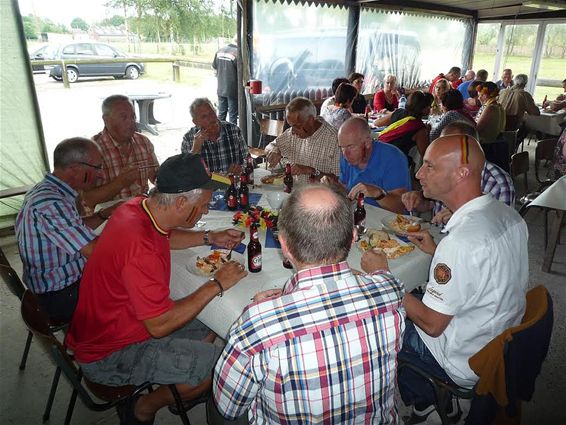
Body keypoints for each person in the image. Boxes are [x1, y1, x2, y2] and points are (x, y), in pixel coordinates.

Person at [66, 153, 247, 425]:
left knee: (215, 321)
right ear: (182, 202)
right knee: (225, 365)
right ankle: (143, 406)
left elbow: (164, 234)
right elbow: (160, 325)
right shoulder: (140, 251)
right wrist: (217, 283)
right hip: (110, 354)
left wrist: (210, 236)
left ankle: (185, 383)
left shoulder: (137, 207)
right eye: (205, 205)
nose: (207, 211)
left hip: (118, 325)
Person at [213, 184, 405, 423]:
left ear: (284, 246)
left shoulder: (258, 323)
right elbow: (383, 279)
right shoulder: (390, 290)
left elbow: (228, 407)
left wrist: (260, 311)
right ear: (354, 237)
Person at [397, 134, 528, 422]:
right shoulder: (508, 216)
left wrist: (386, 279)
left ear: (462, 173)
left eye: (429, 167)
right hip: (496, 341)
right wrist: (436, 252)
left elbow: (432, 325)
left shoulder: (460, 242)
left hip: (464, 360)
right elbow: (483, 275)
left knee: (383, 318)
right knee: (415, 298)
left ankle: (426, 405)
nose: (418, 174)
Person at [15, 137, 119, 323]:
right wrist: (132, 232)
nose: (101, 174)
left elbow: (73, 230)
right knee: (134, 288)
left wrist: (105, 213)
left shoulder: (49, 190)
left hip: (56, 286)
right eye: (97, 168)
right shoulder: (51, 203)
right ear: (75, 169)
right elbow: (96, 253)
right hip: (60, 296)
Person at [403, 121, 515, 225]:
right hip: (438, 238)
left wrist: (463, 217)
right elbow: (429, 204)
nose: (441, 150)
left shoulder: (497, 181)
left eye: (449, 147)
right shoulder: (441, 170)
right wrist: (418, 200)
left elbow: (500, 229)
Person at [83, 94, 160, 208]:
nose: (131, 122)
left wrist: (172, 175)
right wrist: (119, 183)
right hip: (107, 218)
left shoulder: (143, 142)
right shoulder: (92, 150)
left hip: (141, 210)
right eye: (123, 117)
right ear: (106, 120)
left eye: (133, 117)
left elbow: (156, 177)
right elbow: (87, 200)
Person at [337, 117, 411, 213]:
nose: (345, 154)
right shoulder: (346, 156)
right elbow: (346, 191)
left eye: (351, 146)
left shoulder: (393, 157)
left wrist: (377, 193)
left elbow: (401, 207)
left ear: (368, 142)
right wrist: (335, 187)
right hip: (360, 216)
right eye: (342, 147)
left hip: (391, 221)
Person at [265, 97, 340, 182]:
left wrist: (311, 170)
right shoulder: (292, 134)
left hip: (320, 193)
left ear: (310, 121)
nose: (292, 131)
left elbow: (339, 181)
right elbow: (270, 146)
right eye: (291, 126)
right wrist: (274, 150)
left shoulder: (334, 139)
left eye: (297, 126)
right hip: (295, 190)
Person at [181, 98, 248, 174]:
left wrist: (241, 169)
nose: (210, 118)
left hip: (232, 183)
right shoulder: (189, 139)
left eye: (211, 113)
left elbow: (248, 161)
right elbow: (185, 175)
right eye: (204, 116)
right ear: (195, 122)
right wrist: (195, 150)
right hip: (205, 185)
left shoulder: (234, 131)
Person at [378, 90, 433, 163]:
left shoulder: (399, 112)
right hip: (396, 161)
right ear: (424, 109)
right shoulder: (419, 128)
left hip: (380, 154)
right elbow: (425, 155)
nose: (430, 108)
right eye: (429, 106)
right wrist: (428, 133)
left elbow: (377, 123)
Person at [475, 82, 507, 170]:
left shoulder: (490, 108)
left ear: (485, 95)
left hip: (487, 145)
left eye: (479, 95)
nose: (478, 98)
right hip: (497, 142)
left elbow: (477, 129)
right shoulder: (499, 106)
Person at [212, 38, 238, 124]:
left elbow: (214, 68)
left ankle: (220, 135)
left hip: (221, 89)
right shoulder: (237, 53)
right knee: (233, 116)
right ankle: (232, 136)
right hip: (232, 90)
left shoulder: (219, 51)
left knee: (221, 115)